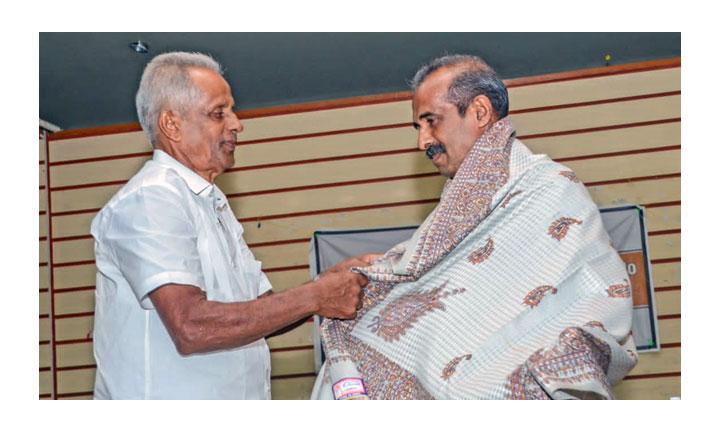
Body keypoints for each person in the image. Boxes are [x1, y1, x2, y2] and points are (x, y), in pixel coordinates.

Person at [311, 54, 638, 400]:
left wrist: (547, 366)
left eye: (431, 122)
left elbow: (600, 290)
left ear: (480, 112)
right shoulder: (459, 202)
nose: (422, 141)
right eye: (418, 127)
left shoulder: (548, 187)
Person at [90, 51, 375, 399]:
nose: (237, 123)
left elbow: (262, 310)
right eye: (218, 113)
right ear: (172, 124)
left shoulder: (212, 204)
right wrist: (316, 296)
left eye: (232, 111)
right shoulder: (152, 198)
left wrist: (328, 284)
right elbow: (191, 326)